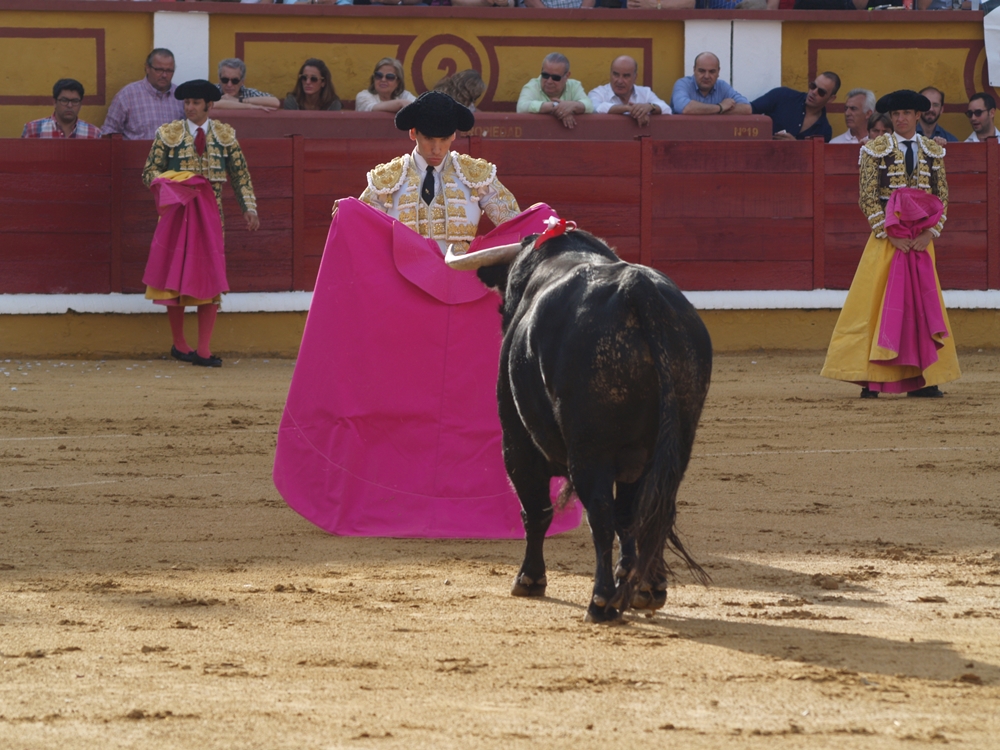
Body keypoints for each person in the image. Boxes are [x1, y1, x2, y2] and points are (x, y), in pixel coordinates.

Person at [821, 89, 960, 399]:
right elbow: (867, 198)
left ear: (917, 115)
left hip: (921, 243)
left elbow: (942, 197)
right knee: (875, 305)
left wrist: (930, 233)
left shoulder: (932, 151)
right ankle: (871, 378)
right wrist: (891, 233)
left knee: (923, 306)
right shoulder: (875, 149)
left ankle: (925, 379)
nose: (901, 118)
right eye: (896, 114)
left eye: (906, 113)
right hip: (887, 242)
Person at [141, 80, 260, 368]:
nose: (190, 108)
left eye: (195, 103)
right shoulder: (168, 134)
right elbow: (149, 172)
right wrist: (177, 182)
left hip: (211, 216)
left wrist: (249, 208)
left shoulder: (225, 136)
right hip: (176, 215)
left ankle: (204, 350)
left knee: (209, 275)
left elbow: (240, 176)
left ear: (209, 105)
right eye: (186, 103)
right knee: (175, 278)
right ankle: (181, 345)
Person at [354, 91, 520, 254]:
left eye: (444, 139)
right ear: (413, 133)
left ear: (454, 135)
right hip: (403, 279)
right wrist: (348, 211)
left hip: (458, 277)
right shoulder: (387, 179)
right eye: (428, 138)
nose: (437, 149)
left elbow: (516, 224)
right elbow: (358, 231)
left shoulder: (477, 176)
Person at [101, 49, 185, 140]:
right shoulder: (127, 96)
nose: (164, 75)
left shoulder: (181, 96)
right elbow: (109, 132)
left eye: (169, 71)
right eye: (159, 70)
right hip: (136, 153)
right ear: (147, 68)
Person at [751, 72, 840, 142]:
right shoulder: (782, 96)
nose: (813, 92)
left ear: (831, 99)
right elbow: (751, 109)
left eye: (821, 92)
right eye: (813, 86)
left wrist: (796, 145)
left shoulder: (824, 130)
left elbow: (815, 160)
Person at [516, 53, 593, 130]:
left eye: (555, 77)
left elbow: (589, 106)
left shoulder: (574, 85)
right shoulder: (532, 86)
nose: (549, 81)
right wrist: (557, 107)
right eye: (545, 75)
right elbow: (521, 107)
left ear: (567, 76)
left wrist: (572, 106)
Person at [588, 55, 670, 126]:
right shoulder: (598, 93)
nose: (620, 81)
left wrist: (650, 107)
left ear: (635, 77)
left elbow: (667, 109)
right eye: (616, 74)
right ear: (610, 74)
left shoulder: (646, 93)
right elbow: (594, 108)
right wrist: (628, 108)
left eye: (626, 76)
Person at [670, 52, 750, 116]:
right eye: (702, 71)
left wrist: (705, 111)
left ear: (718, 72)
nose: (707, 76)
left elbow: (746, 108)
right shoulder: (683, 84)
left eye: (712, 72)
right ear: (694, 70)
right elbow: (685, 108)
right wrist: (720, 107)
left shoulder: (722, 86)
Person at [22, 79, 100, 139]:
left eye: (75, 101)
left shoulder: (93, 133)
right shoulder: (33, 129)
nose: (70, 105)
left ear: (80, 104)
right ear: (55, 102)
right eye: (64, 100)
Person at [213, 58, 281, 111]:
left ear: (242, 81)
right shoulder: (212, 90)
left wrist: (238, 100)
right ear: (219, 79)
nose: (229, 84)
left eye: (235, 81)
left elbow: (275, 102)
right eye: (225, 80)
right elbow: (213, 104)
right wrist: (249, 106)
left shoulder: (248, 93)